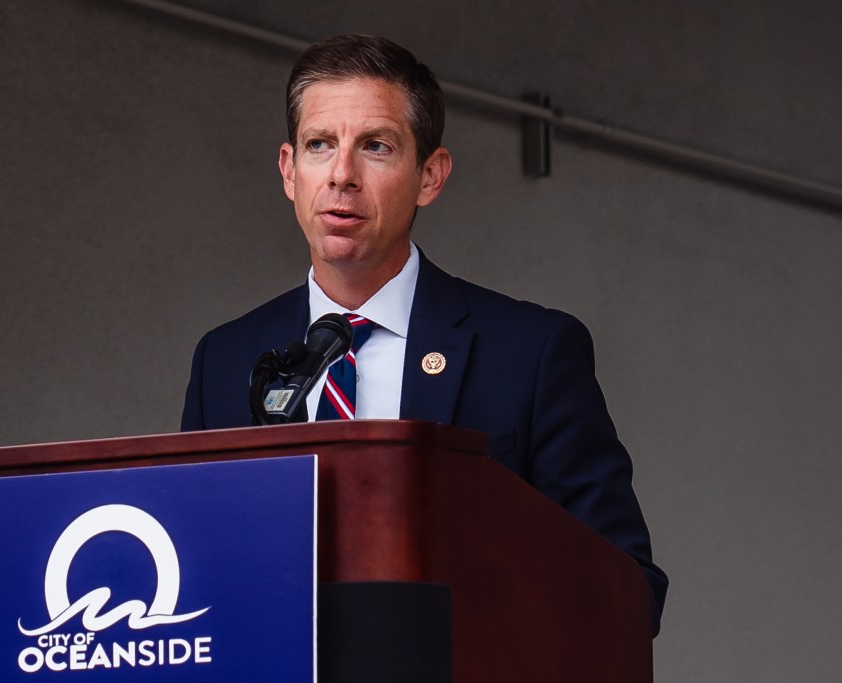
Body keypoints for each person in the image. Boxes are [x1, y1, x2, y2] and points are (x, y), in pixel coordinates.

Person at [181, 34, 668, 636]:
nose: (341, 175)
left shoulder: (531, 352)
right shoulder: (225, 359)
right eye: (319, 145)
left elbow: (627, 591)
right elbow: (194, 575)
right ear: (288, 170)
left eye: (376, 147)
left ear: (430, 177)